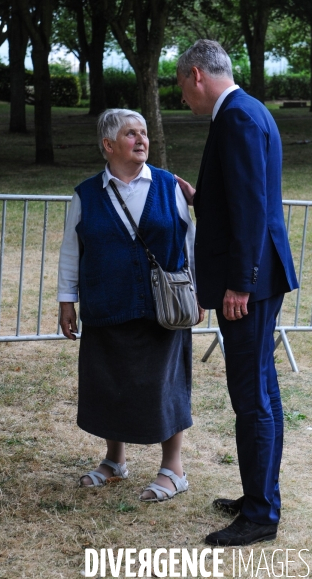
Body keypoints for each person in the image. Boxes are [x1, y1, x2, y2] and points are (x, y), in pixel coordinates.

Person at [176, 40, 298, 545]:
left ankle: (260, 516)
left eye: (182, 86)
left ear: (197, 75)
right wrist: (201, 198)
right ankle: (259, 498)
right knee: (260, 390)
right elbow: (241, 195)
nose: (183, 97)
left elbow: (251, 207)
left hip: (250, 281)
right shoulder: (247, 112)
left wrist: (238, 284)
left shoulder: (238, 117)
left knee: (251, 397)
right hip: (256, 275)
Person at [57, 108, 203, 502]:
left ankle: (173, 469)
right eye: (130, 134)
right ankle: (114, 460)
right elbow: (72, 250)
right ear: (108, 145)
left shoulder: (168, 185)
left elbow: (189, 242)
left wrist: (199, 290)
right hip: (106, 303)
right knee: (110, 382)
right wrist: (66, 300)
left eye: (143, 133)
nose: (141, 140)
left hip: (163, 308)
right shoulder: (86, 193)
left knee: (166, 385)